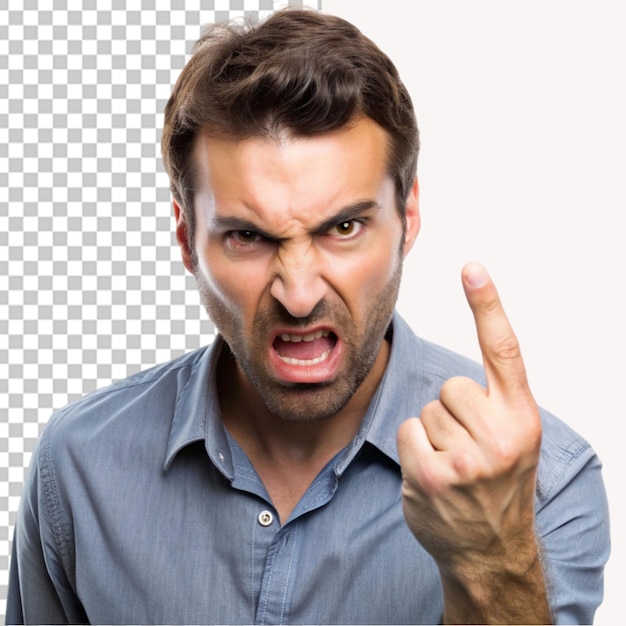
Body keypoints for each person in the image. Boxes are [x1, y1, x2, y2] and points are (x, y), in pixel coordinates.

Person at [6, 7, 610, 625]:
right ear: (187, 240)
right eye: (247, 236)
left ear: (408, 218)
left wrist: (491, 560)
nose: (297, 295)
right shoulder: (80, 465)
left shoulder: (540, 484)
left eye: (343, 228)